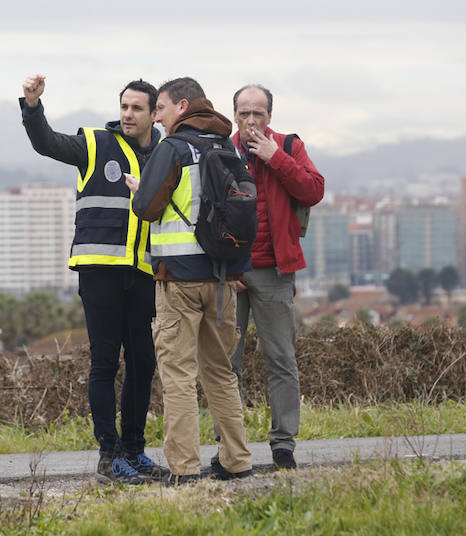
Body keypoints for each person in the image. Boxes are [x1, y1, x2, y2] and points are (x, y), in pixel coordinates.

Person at [19, 74, 166, 484]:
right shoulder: (96, 143)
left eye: (137, 108)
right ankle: (109, 454)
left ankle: (134, 451)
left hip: (141, 272)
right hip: (99, 269)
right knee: (105, 361)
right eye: (124, 106)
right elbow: (47, 142)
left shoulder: (164, 155)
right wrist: (33, 106)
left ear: (155, 114)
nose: (128, 114)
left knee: (142, 362)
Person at [129, 77, 253, 484]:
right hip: (221, 278)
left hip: (178, 280)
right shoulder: (227, 146)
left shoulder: (174, 149)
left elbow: (147, 208)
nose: (158, 117)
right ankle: (236, 460)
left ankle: (184, 468)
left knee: (178, 375)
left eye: (160, 108)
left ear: (181, 106)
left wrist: (138, 189)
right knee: (220, 372)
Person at [228, 84, 325, 470]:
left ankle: (283, 445)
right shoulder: (222, 147)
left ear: (270, 116)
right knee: (225, 363)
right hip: (229, 273)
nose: (251, 120)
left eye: (259, 113)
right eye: (244, 113)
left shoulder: (288, 147)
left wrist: (275, 158)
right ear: (234, 114)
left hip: (274, 271)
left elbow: (314, 190)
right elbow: (205, 207)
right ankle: (230, 446)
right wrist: (224, 265)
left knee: (281, 359)